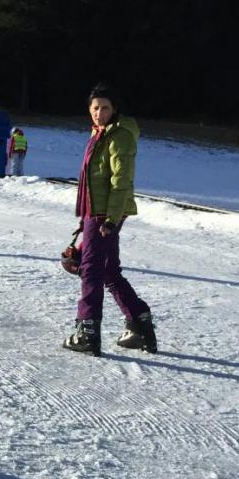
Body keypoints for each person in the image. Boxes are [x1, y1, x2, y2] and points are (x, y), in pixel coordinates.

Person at [64, 84, 156, 356]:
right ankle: (139, 321)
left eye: (105, 108)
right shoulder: (100, 134)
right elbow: (93, 183)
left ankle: (88, 332)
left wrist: (110, 220)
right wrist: (86, 218)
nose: (99, 113)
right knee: (107, 269)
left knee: (90, 268)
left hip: (107, 213)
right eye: (95, 108)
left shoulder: (120, 136)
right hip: (98, 212)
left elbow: (121, 183)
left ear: (114, 109)